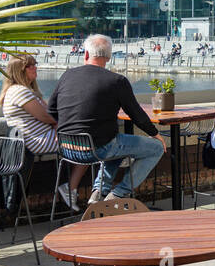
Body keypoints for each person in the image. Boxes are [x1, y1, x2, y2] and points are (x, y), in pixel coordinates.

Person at [47, 33, 166, 203]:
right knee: (155, 149)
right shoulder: (117, 81)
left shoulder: (67, 76)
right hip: (98, 149)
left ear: (86, 54)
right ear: (109, 57)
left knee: (117, 144)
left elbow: (51, 111)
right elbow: (136, 113)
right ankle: (117, 194)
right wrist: (155, 134)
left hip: (66, 148)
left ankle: (99, 193)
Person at [0, 54, 87, 212]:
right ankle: (71, 188)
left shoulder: (25, 91)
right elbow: (47, 116)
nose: (34, 67)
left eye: (34, 64)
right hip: (37, 140)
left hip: (41, 137)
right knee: (89, 145)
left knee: (86, 143)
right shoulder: (20, 91)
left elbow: (51, 115)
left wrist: (56, 123)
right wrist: (56, 123)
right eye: (29, 65)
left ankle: (71, 189)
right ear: (19, 71)